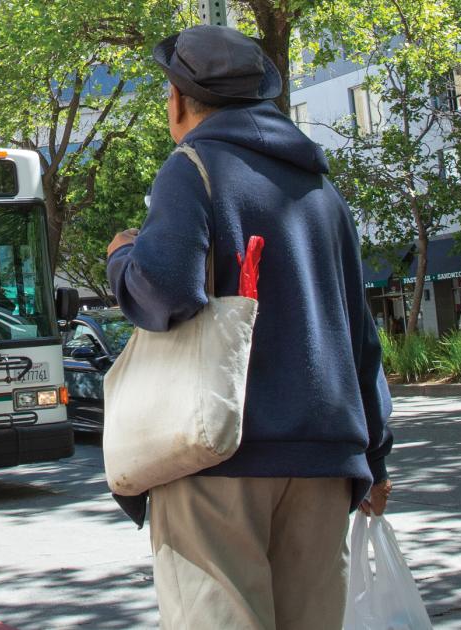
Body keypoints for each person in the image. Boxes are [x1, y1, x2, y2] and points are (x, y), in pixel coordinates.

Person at [105, 25, 393, 630]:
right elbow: (361, 337)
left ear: (180, 101)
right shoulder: (322, 190)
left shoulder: (192, 167)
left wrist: (121, 258)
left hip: (218, 452)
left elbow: (165, 289)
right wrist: (376, 459)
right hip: (324, 460)